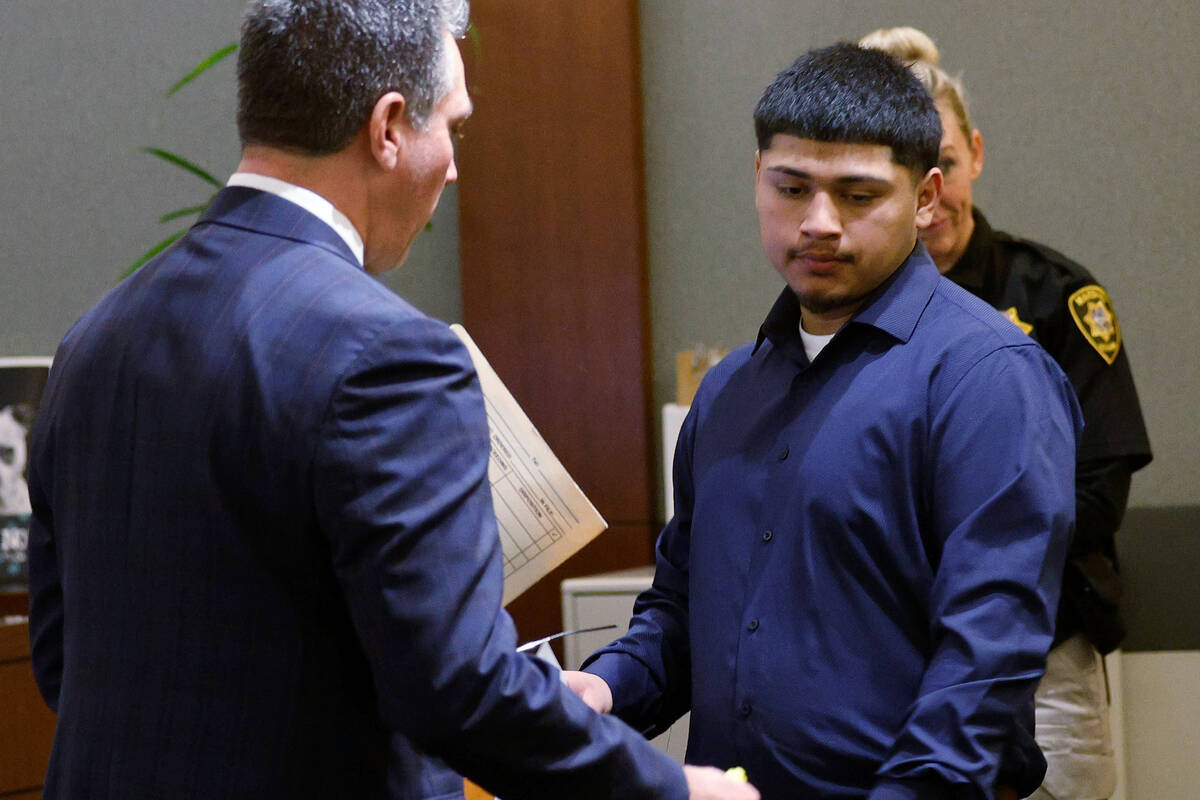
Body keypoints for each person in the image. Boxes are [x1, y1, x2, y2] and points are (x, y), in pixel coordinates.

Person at [24, 2, 760, 799]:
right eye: (453, 127)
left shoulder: (93, 338)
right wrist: (675, 790)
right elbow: (458, 690)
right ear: (388, 128)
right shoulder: (388, 355)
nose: (452, 167)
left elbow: (64, 658)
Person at [564, 43, 1083, 799]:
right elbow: (681, 610)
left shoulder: (989, 376)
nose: (819, 223)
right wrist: (603, 690)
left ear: (928, 197)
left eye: (858, 195)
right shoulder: (729, 390)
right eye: (792, 186)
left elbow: (985, 663)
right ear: (756, 180)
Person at [859, 27, 1153, 800]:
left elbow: (1095, 493)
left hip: (1039, 652)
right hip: (887, 651)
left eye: (945, 165)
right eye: (905, 171)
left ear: (975, 155)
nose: (932, 197)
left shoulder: (1058, 297)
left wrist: (964, 562)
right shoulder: (835, 318)